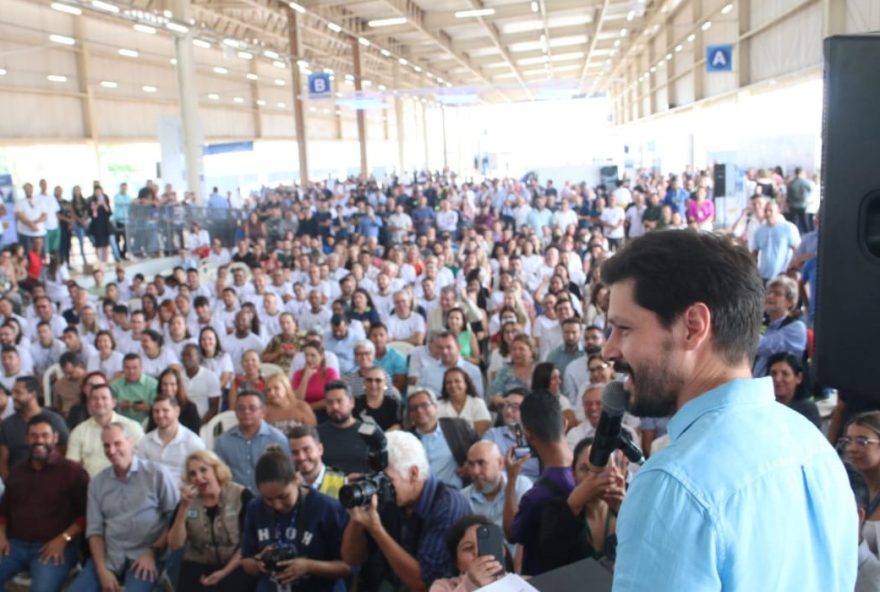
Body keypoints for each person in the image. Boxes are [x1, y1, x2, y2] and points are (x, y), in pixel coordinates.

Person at [600, 229, 855, 590]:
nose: (608, 351)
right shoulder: (812, 445)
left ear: (693, 327)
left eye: (623, 328)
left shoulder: (672, 486)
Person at [341, 431, 472, 590]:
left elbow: (425, 584)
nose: (379, 487)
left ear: (413, 474)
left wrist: (376, 529)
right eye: (376, 478)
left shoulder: (448, 506)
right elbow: (351, 558)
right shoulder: (388, 499)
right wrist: (357, 519)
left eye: (387, 480)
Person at [68, 422, 179, 592]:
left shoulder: (157, 474)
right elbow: (95, 532)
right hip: (111, 557)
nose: (111, 451)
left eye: (117, 443)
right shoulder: (97, 483)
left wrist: (152, 552)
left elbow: (173, 519)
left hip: (146, 556)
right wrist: (102, 570)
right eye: (106, 446)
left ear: (131, 441)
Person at [240, 446, 351, 592]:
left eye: (283, 496)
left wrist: (309, 566)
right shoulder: (255, 508)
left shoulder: (328, 509)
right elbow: (246, 560)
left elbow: (348, 567)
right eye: (268, 499)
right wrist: (259, 563)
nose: (277, 505)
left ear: (296, 479)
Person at [0, 413, 89, 591]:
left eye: (45, 435)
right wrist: (1, 535)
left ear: (55, 438)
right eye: (34, 436)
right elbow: (3, 511)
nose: (39, 440)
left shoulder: (73, 472)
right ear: (27, 439)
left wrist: (64, 539)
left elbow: (86, 515)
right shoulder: (17, 473)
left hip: (54, 546)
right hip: (15, 545)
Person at [503, 390, 574, 576]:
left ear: (527, 434)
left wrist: (511, 480)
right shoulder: (586, 473)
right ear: (565, 424)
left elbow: (511, 533)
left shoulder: (536, 497)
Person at [167, 450, 257, 592]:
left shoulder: (241, 495)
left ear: (216, 470)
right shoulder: (186, 502)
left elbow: (249, 543)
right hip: (198, 564)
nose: (198, 477)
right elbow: (175, 544)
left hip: (235, 563)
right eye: (193, 474)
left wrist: (224, 572)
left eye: (203, 470)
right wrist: (183, 508)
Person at [460, 441, 531, 554]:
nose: (475, 471)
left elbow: (526, 534)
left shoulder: (521, 486)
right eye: (471, 464)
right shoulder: (462, 499)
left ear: (500, 463)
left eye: (481, 463)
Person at [214, 390, 288, 494]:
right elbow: (217, 476)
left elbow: (287, 475)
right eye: (241, 408)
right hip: (235, 502)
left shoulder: (277, 439)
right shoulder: (223, 441)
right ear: (235, 412)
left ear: (263, 412)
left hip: (270, 500)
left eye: (252, 408)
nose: (246, 412)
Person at [66, 383, 144, 477]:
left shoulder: (132, 427)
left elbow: (143, 460)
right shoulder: (79, 432)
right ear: (89, 403)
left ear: (113, 402)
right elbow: (71, 467)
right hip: (92, 486)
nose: (99, 402)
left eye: (104, 398)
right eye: (95, 399)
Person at [408, 387, 478, 490]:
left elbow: (481, 445)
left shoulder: (457, 426)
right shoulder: (407, 439)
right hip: (422, 498)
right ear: (410, 415)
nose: (419, 410)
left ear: (435, 406)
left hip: (456, 493)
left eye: (424, 405)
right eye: (414, 408)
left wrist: (471, 462)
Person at [0, 376, 69, 479]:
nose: (13, 396)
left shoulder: (54, 420)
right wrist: (10, 486)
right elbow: (3, 461)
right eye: (13, 392)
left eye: (18, 393)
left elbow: (65, 452)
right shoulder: (7, 424)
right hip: (18, 482)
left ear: (32, 395)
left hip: (50, 479)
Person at [136, 393, 206, 487]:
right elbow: (140, 473)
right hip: (153, 495)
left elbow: (202, 474)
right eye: (156, 411)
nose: (160, 415)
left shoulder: (193, 442)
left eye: (165, 410)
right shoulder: (146, 441)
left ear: (177, 411)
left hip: (183, 495)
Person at [428, 514, 507, 592]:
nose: (477, 552)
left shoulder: (515, 583)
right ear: (457, 563)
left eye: (484, 546)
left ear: (502, 551)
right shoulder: (443, 586)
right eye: (468, 548)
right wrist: (471, 584)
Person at [752, 275, 807, 377]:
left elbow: (766, 346)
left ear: (790, 302)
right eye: (768, 293)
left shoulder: (797, 328)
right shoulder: (764, 324)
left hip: (779, 387)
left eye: (776, 293)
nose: (769, 296)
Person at [316, 381, 370, 475]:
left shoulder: (369, 432)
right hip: (328, 488)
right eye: (329, 402)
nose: (335, 407)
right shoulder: (316, 434)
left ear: (352, 403)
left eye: (339, 401)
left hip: (362, 486)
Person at [288, 425, 346, 499]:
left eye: (307, 450)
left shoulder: (341, 482)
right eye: (295, 452)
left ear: (320, 449)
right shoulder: (289, 484)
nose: (301, 457)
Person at [768, 352, 820, 429]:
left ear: (799, 377)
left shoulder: (807, 409)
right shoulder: (765, 406)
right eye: (773, 374)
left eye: (785, 374)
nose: (778, 379)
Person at [437, 367, 491, 436]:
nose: (453, 385)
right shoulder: (437, 405)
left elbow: (481, 432)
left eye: (457, 381)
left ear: (466, 384)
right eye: (448, 382)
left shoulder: (477, 403)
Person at [292, 342, 339, 420]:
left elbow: (331, 398)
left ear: (322, 356)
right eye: (306, 355)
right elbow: (297, 400)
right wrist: (305, 378)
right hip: (302, 414)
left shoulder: (330, 372)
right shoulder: (298, 374)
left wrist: (308, 408)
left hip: (325, 412)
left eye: (313, 355)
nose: (308, 359)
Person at [353, 365, 401, 432]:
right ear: (364, 382)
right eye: (369, 380)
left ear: (385, 383)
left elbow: (397, 425)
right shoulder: (355, 403)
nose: (373, 384)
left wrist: (382, 438)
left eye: (378, 380)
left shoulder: (393, 403)